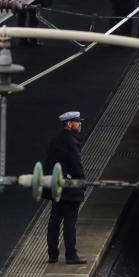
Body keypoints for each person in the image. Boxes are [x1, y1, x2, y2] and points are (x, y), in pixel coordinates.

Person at [45, 111, 87, 265]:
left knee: (54, 220)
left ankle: (52, 254)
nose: (80, 124)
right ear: (69, 124)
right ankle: (71, 255)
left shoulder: (55, 140)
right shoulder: (72, 141)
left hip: (57, 186)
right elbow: (76, 164)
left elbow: (48, 162)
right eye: (77, 121)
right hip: (70, 187)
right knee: (70, 222)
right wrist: (81, 181)